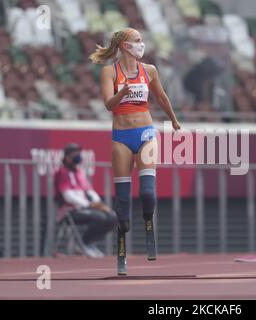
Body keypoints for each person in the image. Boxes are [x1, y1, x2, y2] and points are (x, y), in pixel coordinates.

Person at [89, 27, 181, 275]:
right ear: (124, 45)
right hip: (121, 136)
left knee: (148, 194)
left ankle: (148, 220)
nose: (142, 44)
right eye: (137, 40)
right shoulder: (110, 71)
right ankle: (123, 238)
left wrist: (173, 120)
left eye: (141, 40)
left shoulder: (149, 70)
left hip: (146, 134)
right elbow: (109, 104)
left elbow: (161, 97)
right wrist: (123, 93)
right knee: (123, 201)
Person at [54, 143, 118, 258]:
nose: (78, 156)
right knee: (99, 217)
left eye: (79, 154)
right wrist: (90, 205)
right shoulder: (62, 173)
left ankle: (89, 243)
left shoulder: (79, 172)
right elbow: (68, 195)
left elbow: (89, 191)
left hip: (86, 208)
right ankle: (83, 244)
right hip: (70, 211)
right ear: (67, 157)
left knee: (112, 217)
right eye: (75, 154)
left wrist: (98, 203)